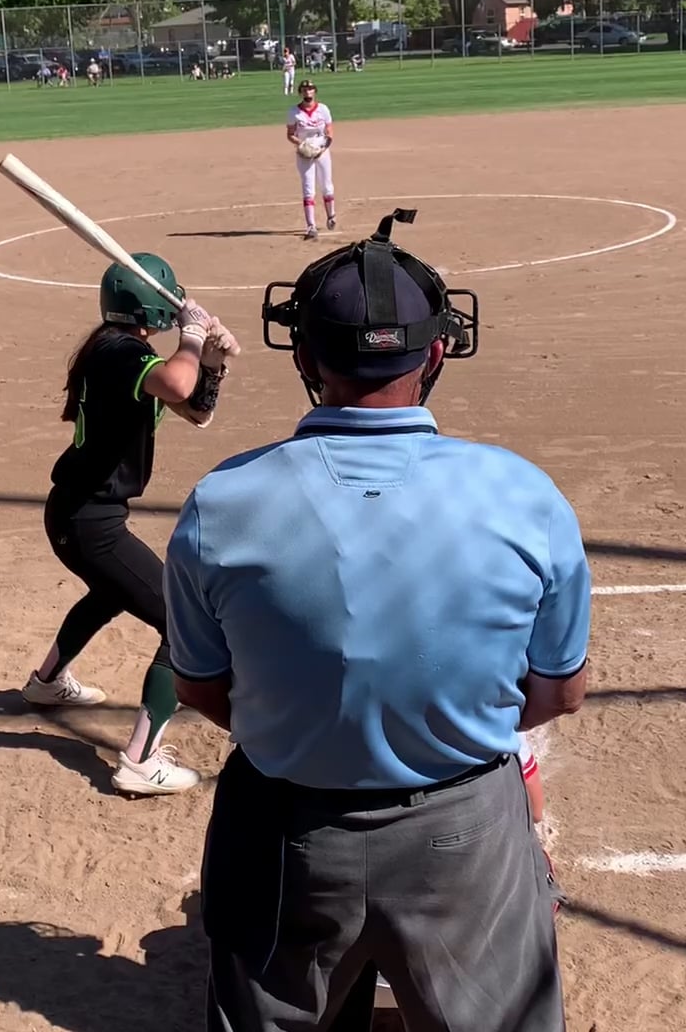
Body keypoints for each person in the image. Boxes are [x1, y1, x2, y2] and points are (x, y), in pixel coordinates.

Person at [167, 209, 590, 1031]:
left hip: (286, 831)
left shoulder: (221, 503)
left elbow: (202, 688)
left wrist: (313, 728)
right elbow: (558, 694)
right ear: (436, 353)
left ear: (304, 357)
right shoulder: (523, 493)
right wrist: (439, 726)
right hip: (464, 829)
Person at [22, 252, 239, 797]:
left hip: (81, 515)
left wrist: (211, 361)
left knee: (111, 592)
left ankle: (47, 682)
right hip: (90, 523)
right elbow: (179, 385)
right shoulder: (123, 353)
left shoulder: (113, 348)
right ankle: (141, 760)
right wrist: (192, 338)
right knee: (180, 624)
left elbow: (197, 409)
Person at [287, 79, 336, 241]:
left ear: (315, 91)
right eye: (304, 89)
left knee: (327, 185)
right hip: (304, 153)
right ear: (300, 92)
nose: (308, 92)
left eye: (310, 89)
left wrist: (323, 148)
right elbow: (290, 134)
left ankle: (331, 216)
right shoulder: (294, 112)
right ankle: (311, 226)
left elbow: (329, 131)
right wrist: (302, 145)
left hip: (322, 151)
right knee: (308, 188)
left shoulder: (323, 109)